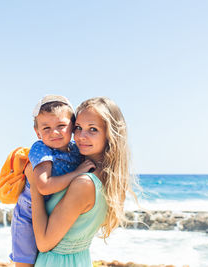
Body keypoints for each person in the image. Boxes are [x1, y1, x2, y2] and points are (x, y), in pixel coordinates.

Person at [26, 96, 134, 267]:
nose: (81, 136)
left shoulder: (84, 183)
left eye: (93, 129)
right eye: (78, 127)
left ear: (110, 134)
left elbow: (44, 243)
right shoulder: (106, 177)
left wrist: (33, 183)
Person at [10, 95, 95, 267]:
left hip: (49, 215)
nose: (54, 133)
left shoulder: (75, 151)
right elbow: (43, 186)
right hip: (28, 217)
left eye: (61, 126)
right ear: (37, 132)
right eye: (46, 128)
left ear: (73, 126)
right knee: (25, 264)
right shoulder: (41, 149)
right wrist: (77, 173)